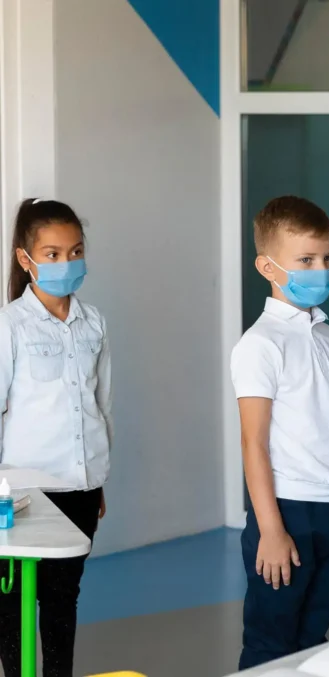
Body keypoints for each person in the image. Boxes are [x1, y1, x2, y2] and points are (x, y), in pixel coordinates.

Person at [231, 196, 329, 669]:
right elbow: (253, 443)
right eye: (306, 260)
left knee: (313, 639)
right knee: (271, 644)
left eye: (327, 258)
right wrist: (270, 528)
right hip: (287, 511)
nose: (321, 270)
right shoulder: (260, 345)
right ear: (267, 267)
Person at [0, 198, 111, 677]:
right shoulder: (10, 326)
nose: (66, 263)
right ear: (26, 260)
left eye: (75, 251)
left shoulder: (95, 323)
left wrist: (97, 481)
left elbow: (100, 407)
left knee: (64, 600)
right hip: (22, 494)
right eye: (51, 253)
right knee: (14, 608)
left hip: (80, 489)